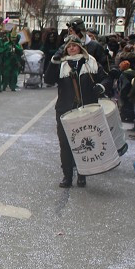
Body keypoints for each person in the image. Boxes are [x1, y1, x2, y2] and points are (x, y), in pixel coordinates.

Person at [44, 36, 103, 188]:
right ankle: (67, 176)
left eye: (74, 46)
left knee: (84, 143)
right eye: (68, 46)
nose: (71, 48)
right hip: (65, 109)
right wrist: (53, 62)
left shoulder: (91, 62)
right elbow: (49, 80)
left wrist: (101, 87)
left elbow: (105, 79)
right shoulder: (61, 64)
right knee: (65, 143)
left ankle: (83, 175)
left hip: (86, 109)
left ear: (80, 47)